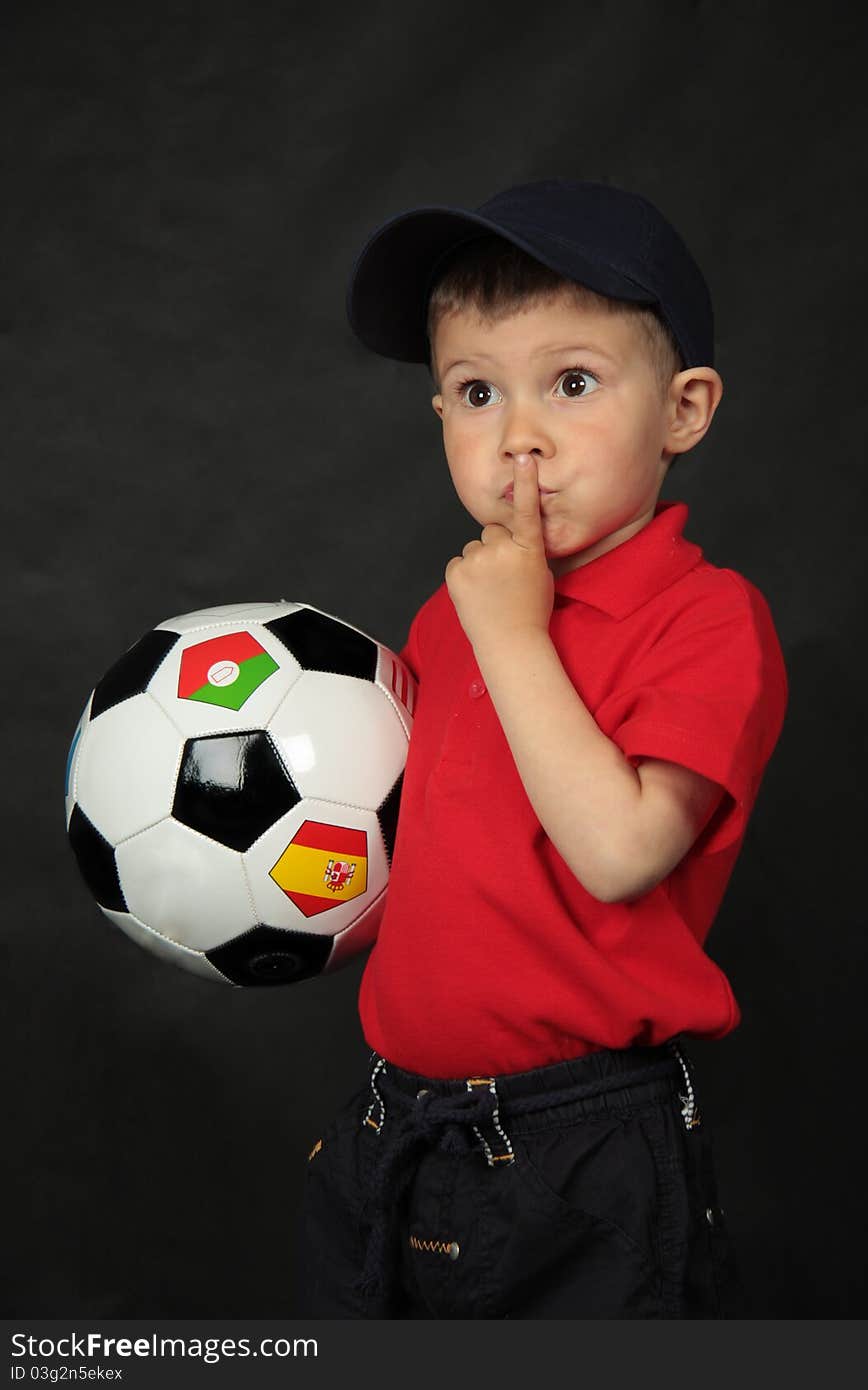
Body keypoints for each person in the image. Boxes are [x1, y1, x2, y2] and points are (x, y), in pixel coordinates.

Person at [292, 178, 788, 1319]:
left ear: (683, 409)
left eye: (572, 383)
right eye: (475, 391)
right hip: (398, 1120)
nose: (519, 436)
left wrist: (510, 632)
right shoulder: (451, 612)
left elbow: (619, 851)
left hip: (578, 1144)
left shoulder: (706, 620)